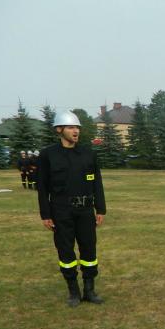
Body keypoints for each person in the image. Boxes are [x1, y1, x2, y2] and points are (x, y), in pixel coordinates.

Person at [36, 111, 107, 307]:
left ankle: (89, 290)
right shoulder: (48, 155)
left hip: (85, 211)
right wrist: (45, 214)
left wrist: (100, 209)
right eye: (71, 127)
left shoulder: (88, 154)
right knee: (66, 252)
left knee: (89, 250)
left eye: (77, 128)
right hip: (61, 211)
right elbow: (42, 187)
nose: (76, 131)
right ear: (59, 130)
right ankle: (73, 292)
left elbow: (97, 183)